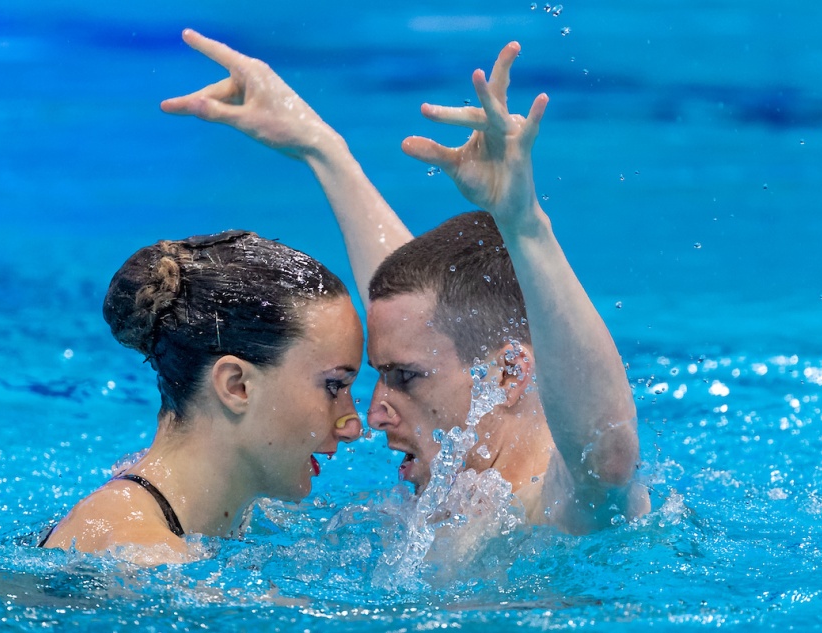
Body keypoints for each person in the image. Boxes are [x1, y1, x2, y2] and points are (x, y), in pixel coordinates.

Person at [161, 30, 650, 534]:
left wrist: (524, 226)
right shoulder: (452, 492)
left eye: (405, 378)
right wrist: (322, 150)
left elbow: (607, 458)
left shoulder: (555, 509)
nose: (373, 416)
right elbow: (419, 318)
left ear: (507, 373)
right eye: (382, 375)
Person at [38, 231, 364, 563]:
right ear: (236, 386)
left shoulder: (226, 503)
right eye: (334, 386)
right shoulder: (138, 555)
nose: (352, 426)